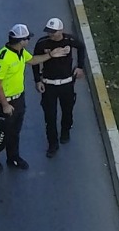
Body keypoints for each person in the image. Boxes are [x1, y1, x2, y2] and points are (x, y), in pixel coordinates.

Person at [0, 24, 60, 171]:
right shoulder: (3, 58)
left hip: (18, 99)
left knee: (15, 131)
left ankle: (13, 158)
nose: (28, 41)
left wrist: (50, 55)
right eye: (27, 38)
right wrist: (5, 105)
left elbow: (32, 61)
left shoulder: (21, 52)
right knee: (5, 134)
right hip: (4, 101)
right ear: (21, 40)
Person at [32, 17, 87, 158]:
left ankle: (65, 131)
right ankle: (52, 144)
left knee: (67, 110)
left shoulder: (70, 40)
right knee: (49, 116)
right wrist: (38, 80)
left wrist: (80, 67)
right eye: (49, 31)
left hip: (66, 83)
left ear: (61, 30)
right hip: (49, 84)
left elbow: (81, 47)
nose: (51, 34)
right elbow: (34, 62)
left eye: (54, 32)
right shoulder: (42, 43)